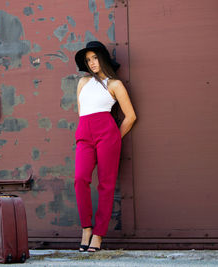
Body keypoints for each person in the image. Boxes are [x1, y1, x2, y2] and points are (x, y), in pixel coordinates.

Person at [74, 41, 137, 252]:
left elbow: (130, 116)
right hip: (85, 133)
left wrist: (115, 138)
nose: (92, 63)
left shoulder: (114, 85)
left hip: (107, 135)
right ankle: (86, 228)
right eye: (88, 59)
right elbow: (82, 112)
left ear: (103, 58)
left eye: (95, 58)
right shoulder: (83, 82)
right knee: (80, 178)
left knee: (106, 184)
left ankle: (98, 235)